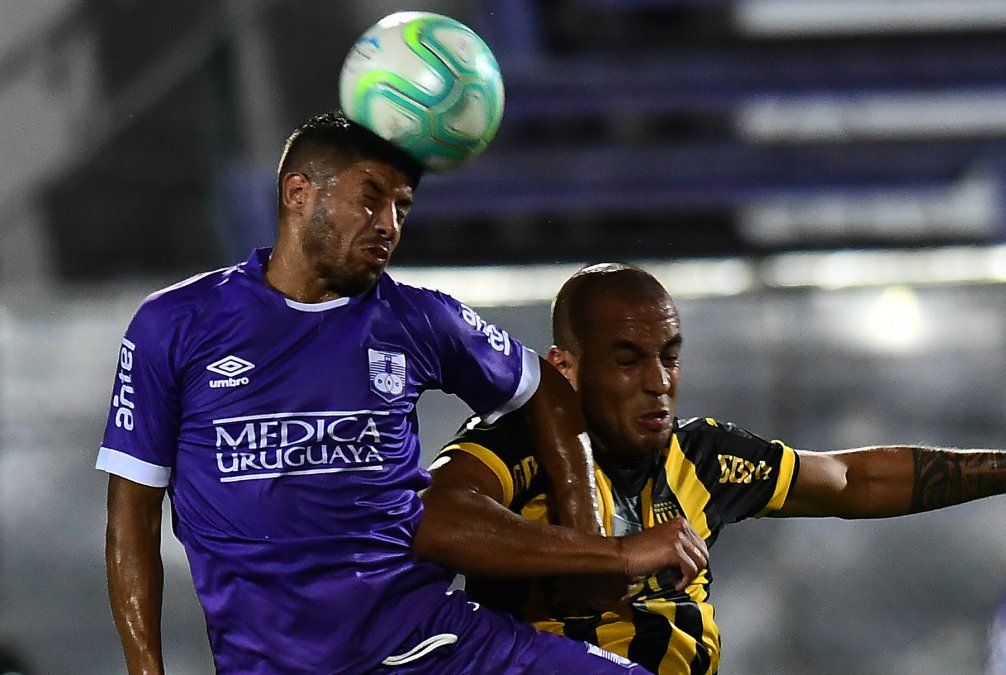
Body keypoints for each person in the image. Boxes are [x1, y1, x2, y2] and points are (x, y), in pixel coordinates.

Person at [97, 113, 709, 674]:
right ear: (298, 193)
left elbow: (544, 390)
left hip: (431, 644)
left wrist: (594, 543)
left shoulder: (419, 320)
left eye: (402, 206)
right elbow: (132, 516)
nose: (388, 225)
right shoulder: (175, 324)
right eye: (370, 198)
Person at [424, 262, 1006, 675]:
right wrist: (620, 554)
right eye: (628, 361)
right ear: (565, 368)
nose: (658, 382)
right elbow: (436, 519)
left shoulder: (706, 457)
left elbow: (851, 480)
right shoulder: (517, 442)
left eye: (670, 357)